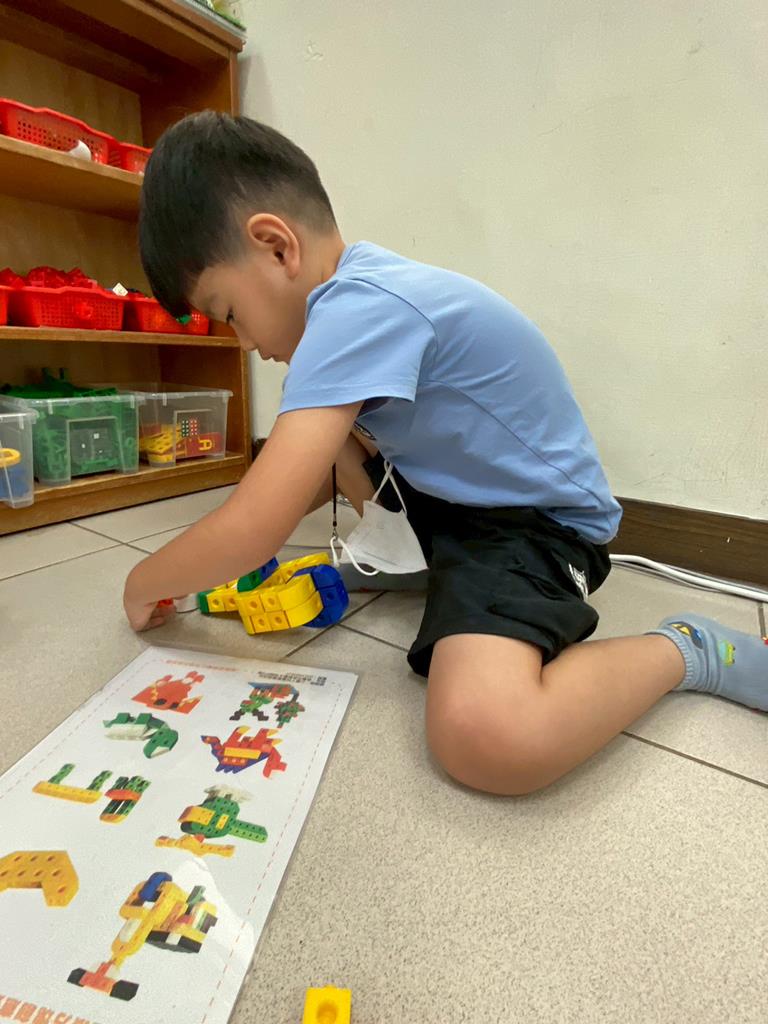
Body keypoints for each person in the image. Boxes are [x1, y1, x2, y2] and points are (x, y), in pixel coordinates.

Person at [124, 111, 766, 796]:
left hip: (536, 524)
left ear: (277, 247)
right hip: (454, 501)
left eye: (229, 312)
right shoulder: (361, 297)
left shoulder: (357, 310)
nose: (246, 342)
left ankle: (690, 649)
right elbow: (295, 481)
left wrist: (145, 581)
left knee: (485, 737)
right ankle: (414, 561)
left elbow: (258, 523)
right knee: (317, 427)